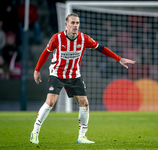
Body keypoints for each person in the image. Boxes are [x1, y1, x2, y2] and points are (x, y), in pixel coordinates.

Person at [30, 13, 135, 144]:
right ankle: (35, 132)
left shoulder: (84, 39)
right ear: (66, 25)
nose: (75, 25)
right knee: (50, 102)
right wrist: (36, 70)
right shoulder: (57, 38)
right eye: (73, 23)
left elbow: (101, 48)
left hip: (74, 75)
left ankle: (82, 136)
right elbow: (46, 52)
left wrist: (119, 58)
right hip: (57, 74)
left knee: (84, 103)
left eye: (77, 23)